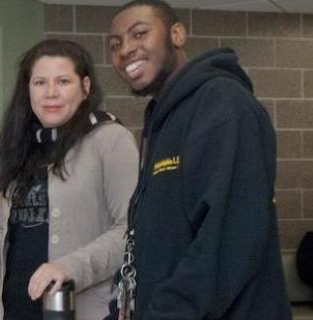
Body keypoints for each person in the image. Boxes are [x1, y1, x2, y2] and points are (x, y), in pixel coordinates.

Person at [106, 1, 291, 319]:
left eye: (139, 33)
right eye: (114, 45)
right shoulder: (162, 119)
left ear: (177, 34)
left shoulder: (224, 105)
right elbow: (161, 237)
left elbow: (230, 240)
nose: (125, 50)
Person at [0, 39, 137, 320]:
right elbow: (6, 231)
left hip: (83, 311)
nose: (51, 93)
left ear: (85, 87)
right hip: (13, 311)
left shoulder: (110, 139)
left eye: (63, 81)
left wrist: (69, 268)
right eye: (40, 82)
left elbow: (131, 230)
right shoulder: (22, 146)